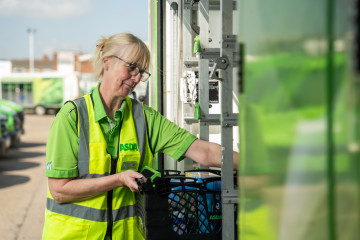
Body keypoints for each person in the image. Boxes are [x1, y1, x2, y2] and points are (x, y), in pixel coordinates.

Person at [42, 32, 238, 240]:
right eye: (131, 67)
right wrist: (118, 179)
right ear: (107, 62)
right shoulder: (72, 117)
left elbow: (203, 151)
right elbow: (60, 191)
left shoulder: (144, 117)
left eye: (141, 72)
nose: (136, 78)